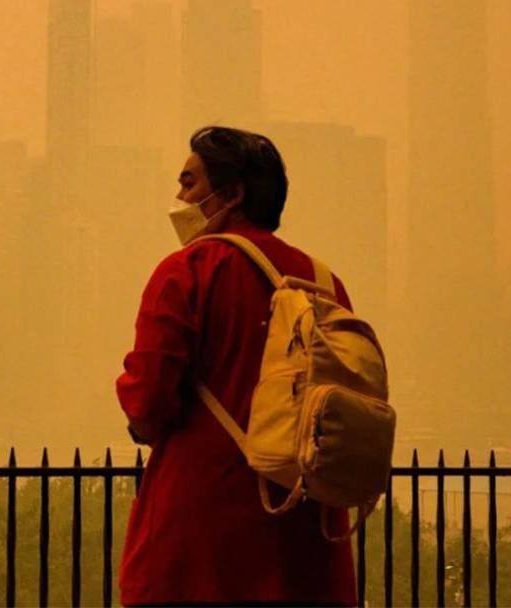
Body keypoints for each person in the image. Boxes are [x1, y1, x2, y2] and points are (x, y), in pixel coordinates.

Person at [115, 126, 357, 606]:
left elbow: (147, 401)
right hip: (307, 543)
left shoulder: (188, 271)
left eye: (189, 183)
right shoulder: (325, 284)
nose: (179, 196)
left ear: (231, 194)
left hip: (202, 541)